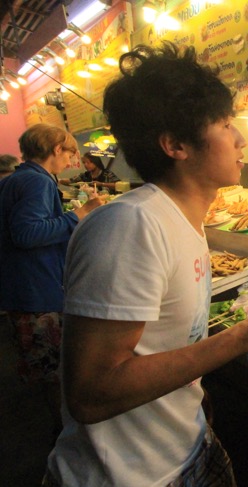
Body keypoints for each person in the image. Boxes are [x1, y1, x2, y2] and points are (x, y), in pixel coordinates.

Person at [45, 42, 248, 487]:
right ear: (175, 144)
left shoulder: (184, 219)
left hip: (186, 450)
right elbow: (90, 393)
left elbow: (160, 348)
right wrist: (247, 335)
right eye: (224, 125)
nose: (241, 138)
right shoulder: (130, 226)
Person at [0, 124, 105, 437]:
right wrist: (80, 214)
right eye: (70, 152)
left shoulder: (18, 177)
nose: (71, 160)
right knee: (55, 371)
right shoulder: (36, 182)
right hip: (36, 293)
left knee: (48, 370)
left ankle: (63, 427)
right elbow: (26, 234)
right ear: (56, 149)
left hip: (23, 287)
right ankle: (68, 433)